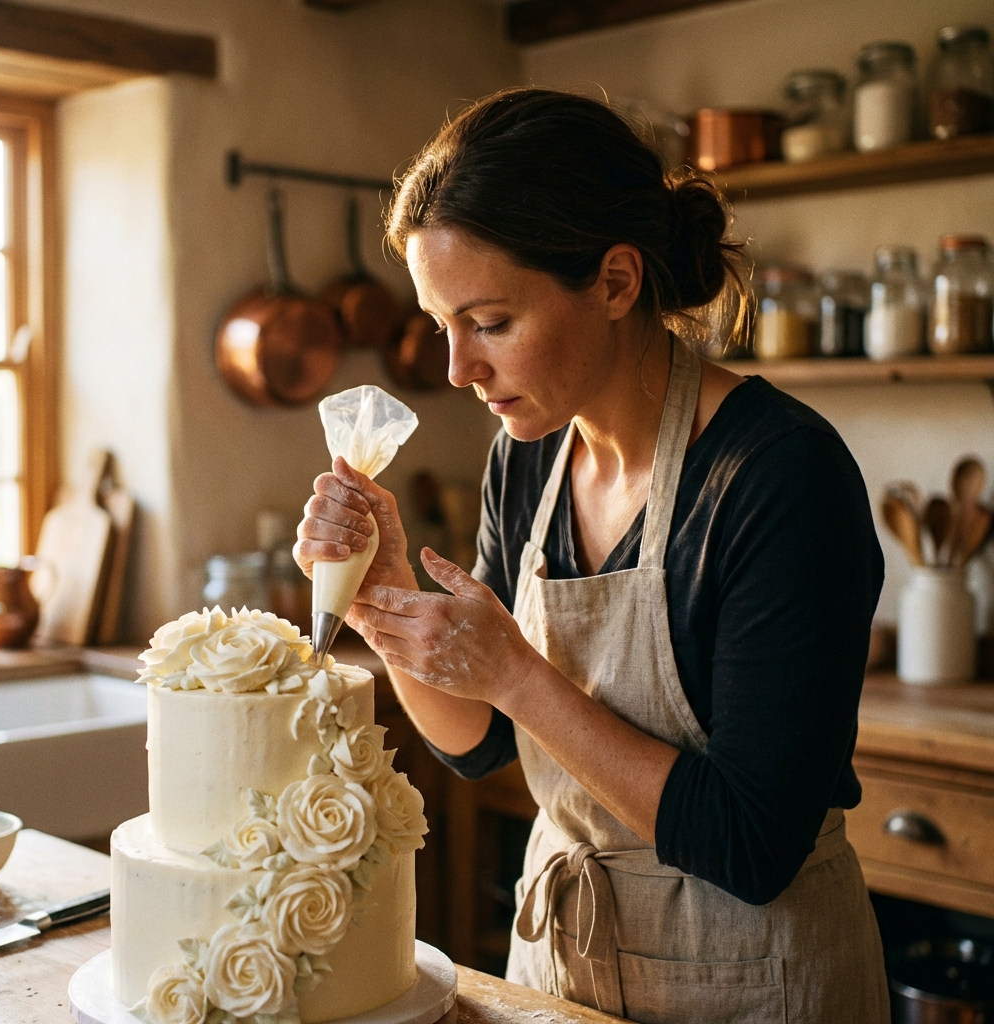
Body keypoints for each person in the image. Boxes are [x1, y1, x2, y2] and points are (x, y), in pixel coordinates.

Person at [294, 89, 889, 1023]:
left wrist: (517, 676)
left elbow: (752, 845)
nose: (457, 369)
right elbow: (477, 740)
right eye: (442, 323)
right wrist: (383, 593)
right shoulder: (526, 458)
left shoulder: (779, 477)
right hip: (566, 976)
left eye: (489, 322)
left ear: (615, 282)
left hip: (757, 982)